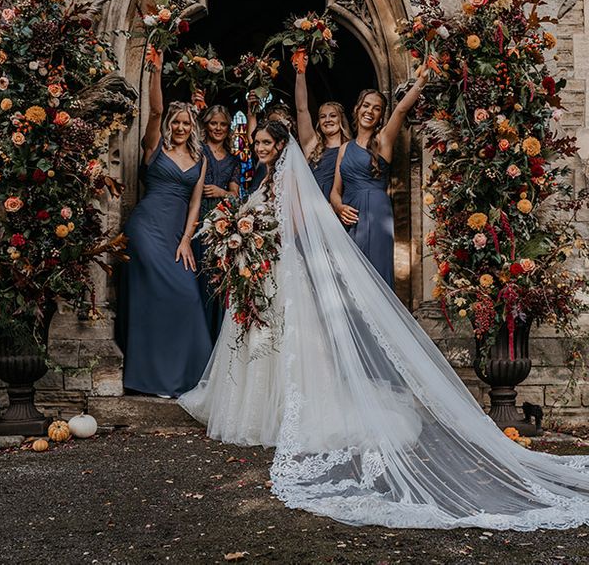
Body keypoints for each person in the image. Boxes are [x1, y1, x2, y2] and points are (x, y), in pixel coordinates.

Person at [180, 122, 589, 531]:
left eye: (266, 143)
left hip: (280, 274)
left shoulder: (290, 181)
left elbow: (300, 229)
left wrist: (261, 243)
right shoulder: (266, 179)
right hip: (261, 276)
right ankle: (256, 413)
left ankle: (283, 416)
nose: (261, 148)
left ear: (280, 145)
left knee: (288, 346)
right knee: (260, 343)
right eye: (258, 144)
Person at [118, 51, 212, 398]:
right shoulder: (154, 146)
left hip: (176, 233)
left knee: (186, 297)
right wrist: (156, 68)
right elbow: (155, 109)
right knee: (156, 297)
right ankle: (152, 379)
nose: (181, 127)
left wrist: (187, 239)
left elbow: (196, 203)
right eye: (177, 122)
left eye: (186, 123)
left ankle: (185, 379)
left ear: (193, 127)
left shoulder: (199, 159)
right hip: (146, 227)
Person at [331, 73, 428, 288]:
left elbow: (401, 110)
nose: (370, 111)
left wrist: (421, 81)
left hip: (375, 211)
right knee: (348, 275)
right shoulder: (344, 148)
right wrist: (338, 207)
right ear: (357, 108)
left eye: (377, 109)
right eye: (366, 105)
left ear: (381, 116)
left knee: (374, 273)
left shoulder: (383, 140)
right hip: (349, 213)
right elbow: (335, 190)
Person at [195, 104, 241, 341]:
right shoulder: (198, 150)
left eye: (223, 124)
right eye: (214, 123)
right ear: (206, 125)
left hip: (221, 221)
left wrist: (221, 192)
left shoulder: (234, 160)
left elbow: (236, 195)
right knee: (198, 278)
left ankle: (216, 337)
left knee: (218, 279)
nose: (218, 128)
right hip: (197, 216)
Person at [293, 58, 351, 201]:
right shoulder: (312, 145)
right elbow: (301, 110)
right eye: (323, 117)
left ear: (341, 119)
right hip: (312, 206)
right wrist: (300, 72)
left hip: (340, 207)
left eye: (332, 116)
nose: (327, 120)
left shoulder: (351, 148)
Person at [245, 96, 296, 195]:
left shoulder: (291, 165)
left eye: (279, 124)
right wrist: (252, 111)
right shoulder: (263, 154)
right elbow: (253, 137)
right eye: (272, 123)